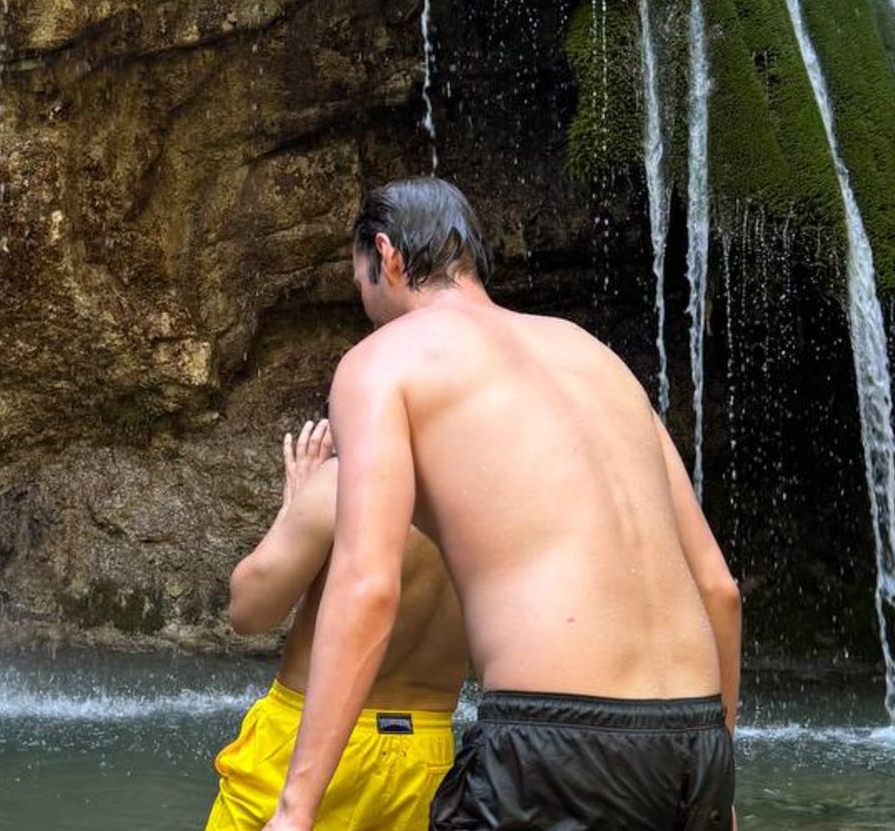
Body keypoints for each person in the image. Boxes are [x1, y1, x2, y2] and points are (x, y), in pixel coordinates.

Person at [262, 177, 741, 831]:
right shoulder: (598, 361)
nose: (365, 302)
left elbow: (369, 585)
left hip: (554, 741)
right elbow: (718, 590)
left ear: (387, 255)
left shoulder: (381, 363)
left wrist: (295, 810)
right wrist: (720, 787)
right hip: (694, 741)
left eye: (361, 282)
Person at [206, 418, 466, 831]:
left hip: (309, 741)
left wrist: (294, 505)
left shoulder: (348, 484)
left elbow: (249, 613)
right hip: (427, 757)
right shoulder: (494, 506)